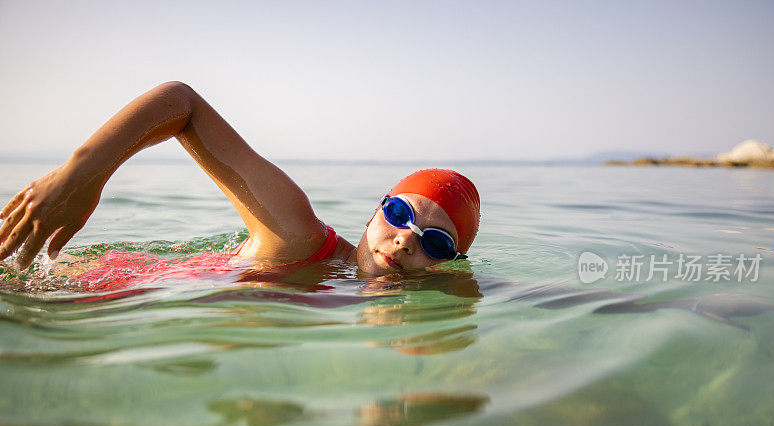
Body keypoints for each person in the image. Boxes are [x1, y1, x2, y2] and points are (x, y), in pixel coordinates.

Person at [0, 82, 480, 282]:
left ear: (450, 264)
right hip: (85, 288)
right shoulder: (297, 234)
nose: (403, 241)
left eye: (435, 242)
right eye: (400, 215)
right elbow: (181, 102)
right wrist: (79, 174)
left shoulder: (431, 292)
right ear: (377, 209)